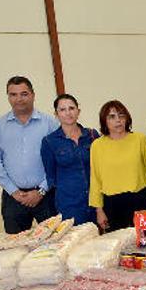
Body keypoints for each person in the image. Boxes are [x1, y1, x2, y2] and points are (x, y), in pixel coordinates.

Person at [0, 76, 59, 233]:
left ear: (33, 95)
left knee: (54, 243)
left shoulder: (50, 123)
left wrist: (41, 190)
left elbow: (57, 159)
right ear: (8, 96)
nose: (19, 99)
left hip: (46, 196)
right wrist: (14, 191)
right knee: (16, 247)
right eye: (13, 94)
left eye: (24, 94)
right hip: (13, 198)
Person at [89, 100, 146, 231]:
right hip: (112, 204)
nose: (118, 120)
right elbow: (95, 179)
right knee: (119, 247)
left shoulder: (140, 139)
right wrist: (99, 210)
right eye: (112, 117)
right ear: (104, 121)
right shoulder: (97, 146)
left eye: (121, 116)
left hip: (140, 200)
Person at [40, 94, 99, 225]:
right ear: (56, 114)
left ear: (78, 111)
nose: (68, 113)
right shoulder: (49, 142)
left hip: (96, 201)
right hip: (69, 205)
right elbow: (51, 176)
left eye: (71, 108)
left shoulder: (92, 135)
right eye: (62, 109)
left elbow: (101, 167)